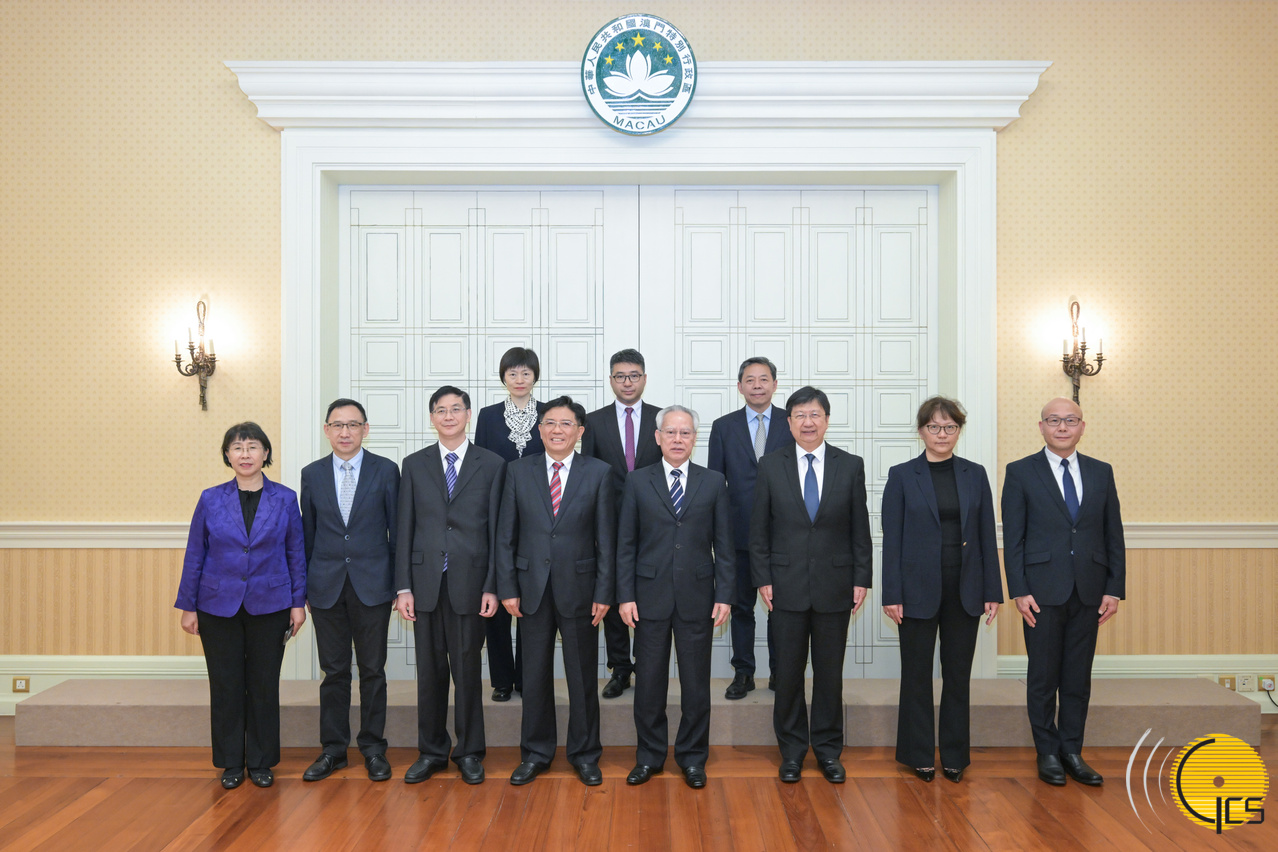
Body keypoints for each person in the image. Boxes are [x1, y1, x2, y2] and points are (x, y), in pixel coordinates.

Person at [174, 422, 307, 790]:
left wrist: (298, 603)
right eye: (237, 447)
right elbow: (195, 553)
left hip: (272, 604)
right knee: (226, 685)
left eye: (252, 447)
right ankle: (231, 761)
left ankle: (261, 762)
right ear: (227, 455)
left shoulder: (285, 498)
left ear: (265, 453)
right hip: (217, 606)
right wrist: (188, 605)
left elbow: (296, 553)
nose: (245, 454)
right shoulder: (210, 498)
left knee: (263, 685)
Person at [750, 386, 872, 784]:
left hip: (836, 585)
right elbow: (759, 530)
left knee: (829, 675)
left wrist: (861, 578)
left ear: (827, 420)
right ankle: (791, 752)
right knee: (787, 674)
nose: (808, 422)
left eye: (815, 414)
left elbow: (860, 529)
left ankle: (828, 751)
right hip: (784, 587)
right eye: (800, 415)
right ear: (788, 423)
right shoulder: (771, 465)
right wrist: (763, 577)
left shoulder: (849, 465)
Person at [1002, 397, 1125, 787]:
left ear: (1082, 427)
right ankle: (1048, 753)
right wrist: (1019, 590)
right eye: (1053, 420)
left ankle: (1072, 751)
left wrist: (1114, 588)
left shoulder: (1101, 472)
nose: (1062, 427)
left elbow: (1113, 534)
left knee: (1077, 678)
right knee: (1043, 677)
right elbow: (1013, 538)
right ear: (1041, 427)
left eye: (1070, 420)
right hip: (1040, 593)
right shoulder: (1020, 472)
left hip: (1090, 590)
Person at [495, 396, 615, 787]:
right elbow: (505, 535)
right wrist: (507, 587)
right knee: (533, 676)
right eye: (549, 423)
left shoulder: (599, 472)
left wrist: (604, 592)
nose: (557, 430)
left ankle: (585, 754)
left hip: (581, 589)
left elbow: (607, 540)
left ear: (579, 431)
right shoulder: (517, 471)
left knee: (582, 677)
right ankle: (536, 753)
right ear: (539, 429)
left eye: (566, 424)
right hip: (530, 589)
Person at [880, 396, 1001, 784]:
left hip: (966, 589)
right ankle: (918, 754)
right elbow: (892, 539)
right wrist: (891, 593)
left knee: (957, 677)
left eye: (950, 427)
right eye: (934, 427)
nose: (942, 434)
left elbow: (986, 535)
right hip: (916, 590)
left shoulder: (974, 474)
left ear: (959, 431)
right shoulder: (902, 475)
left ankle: (954, 755)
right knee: (916, 676)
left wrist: (993, 590)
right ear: (921, 431)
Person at [616, 405, 734, 790]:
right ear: (658, 437)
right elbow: (625, 544)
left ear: (695, 438)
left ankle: (692, 758)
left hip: (698, 597)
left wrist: (725, 594)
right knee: (649, 684)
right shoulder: (637, 481)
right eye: (671, 432)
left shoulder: (713, 482)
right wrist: (625, 595)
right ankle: (649, 757)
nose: (678, 439)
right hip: (647, 597)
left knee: (696, 686)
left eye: (685, 433)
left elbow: (725, 545)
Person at [394, 386, 505, 785]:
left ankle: (470, 752)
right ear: (432, 418)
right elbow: (404, 527)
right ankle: (432, 751)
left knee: (468, 672)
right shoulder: (414, 464)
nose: (448, 416)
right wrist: (403, 587)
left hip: (471, 584)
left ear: (468, 414)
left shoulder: (492, 464)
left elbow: (498, 531)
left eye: (456, 409)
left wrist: (493, 585)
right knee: (430, 674)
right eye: (440, 410)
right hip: (424, 583)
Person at [299, 398, 399, 783]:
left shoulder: (386, 471)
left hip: (373, 585)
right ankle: (333, 750)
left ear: (365, 429)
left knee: (373, 670)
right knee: (335, 671)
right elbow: (307, 536)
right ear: (326, 430)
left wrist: (399, 585)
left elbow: (396, 533)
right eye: (338, 425)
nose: (345, 432)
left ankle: (373, 748)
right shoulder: (312, 474)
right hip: (325, 586)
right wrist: (304, 588)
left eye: (353, 425)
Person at [706, 356, 793, 699]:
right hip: (737, 533)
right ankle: (743, 672)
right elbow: (715, 484)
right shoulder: (723, 426)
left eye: (764, 379)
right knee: (740, 607)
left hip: (783, 533)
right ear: (740, 386)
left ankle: (780, 672)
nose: (757, 385)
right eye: (750, 380)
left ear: (774, 384)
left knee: (780, 608)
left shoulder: (792, 422)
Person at [581, 348, 662, 699]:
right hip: (609, 523)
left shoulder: (662, 418)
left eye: (633, 376)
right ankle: (620, 668)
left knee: (647, 593)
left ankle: (647, 664)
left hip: (654, 523)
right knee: (613, 594)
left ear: (644, 378)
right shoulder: (594, 421)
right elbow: (587, 474)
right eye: (620, 376)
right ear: (611, 380)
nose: (627, 382)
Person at [474, 346, 546, 702]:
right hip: (497, 512)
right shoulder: (488, 416)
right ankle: (502, 679)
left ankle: (527, 678)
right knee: (497, 595)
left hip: (539, 516)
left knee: (532, 602)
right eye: (512, 373)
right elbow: (480, 465)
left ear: (535, 376)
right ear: (503, 377)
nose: (519, 379)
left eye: (526, 373)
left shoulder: (548, 413)